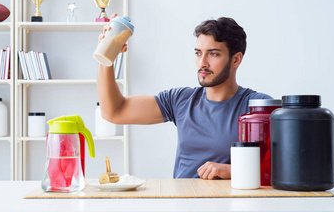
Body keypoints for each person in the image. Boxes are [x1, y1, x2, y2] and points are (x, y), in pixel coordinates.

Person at [97, 14, 272, 180]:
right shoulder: (181, 100)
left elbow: (286, 167)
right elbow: (114, 112)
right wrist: (107, 58)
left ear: (236, 60)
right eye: (198, 53)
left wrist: (232, 170)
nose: (202, 62)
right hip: (183, 203)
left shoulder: (259, 107)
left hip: (229, 207)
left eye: (213, 54)